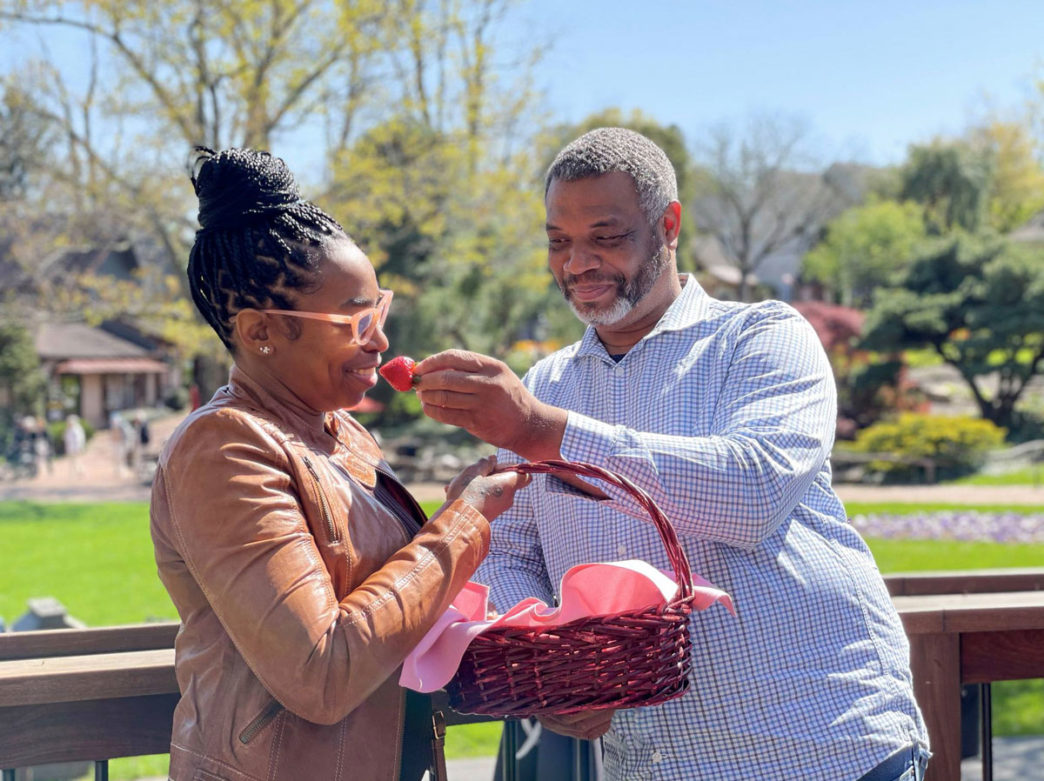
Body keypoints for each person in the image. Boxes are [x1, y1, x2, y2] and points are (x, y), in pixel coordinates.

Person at [415, 128, 930, 780]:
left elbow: (750, 493)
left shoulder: (763, 337)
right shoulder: (544, 387)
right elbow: (510, 553)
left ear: (669, 224)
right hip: (655, 765)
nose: (577, 263)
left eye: (606, 236)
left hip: (824, 748)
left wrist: (547, 433)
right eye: (558, 241)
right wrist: (558, 667)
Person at [149, 147, 528, 781]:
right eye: (354, 319)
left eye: (378, 310)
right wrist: (463, 523)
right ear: (260, 330)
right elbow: (320, 670)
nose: (379, 340)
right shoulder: (223, 450)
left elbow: (382, 602)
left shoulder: (340, 434)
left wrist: (462, 513)